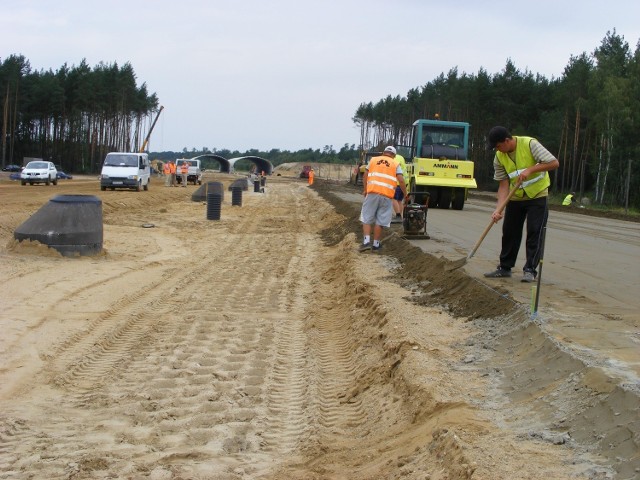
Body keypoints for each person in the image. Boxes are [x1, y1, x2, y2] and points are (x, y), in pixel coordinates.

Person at [484, 126, 560, 283]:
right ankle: (505, 268)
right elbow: (503, 185)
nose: (497, 150)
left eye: (498, 146)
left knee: (534, 232)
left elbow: (554, 163)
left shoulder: (530, 144)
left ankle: (530, 270)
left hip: (537, 195)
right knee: (509, 232)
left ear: (506, 140)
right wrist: (498, 209)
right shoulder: (499, 157)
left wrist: (531, 169)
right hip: (516, 197)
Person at [359, 146, 408, 252]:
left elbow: (365, 175)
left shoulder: (373, 160)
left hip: (372, 193)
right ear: (394, 156)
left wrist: (365, 189)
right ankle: (376, 245)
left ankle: (366, 242)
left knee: (367, 217)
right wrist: (406, 194)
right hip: (387, 196)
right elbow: (401, 180)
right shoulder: (395, 164)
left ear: (383, 153)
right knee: (380, 220)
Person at [391, 151, 407, 223]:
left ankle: (398, 215)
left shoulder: (393, 159)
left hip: (397, 182)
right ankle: (399, 216)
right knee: (399, 200)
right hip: (404, 182)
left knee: (393, 198)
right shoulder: (401, 157)